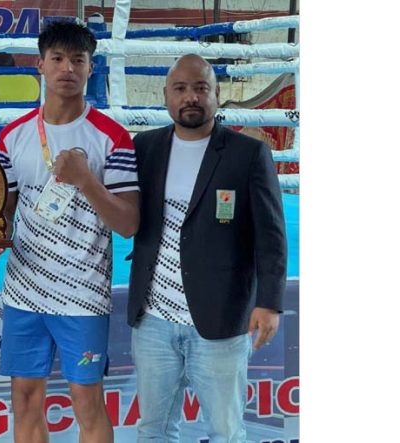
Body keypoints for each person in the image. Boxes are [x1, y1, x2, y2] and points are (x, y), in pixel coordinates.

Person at [127, 54, 287, 442]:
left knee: (225, 431)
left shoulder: (247, 154)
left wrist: (269, 302)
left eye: (201, 88)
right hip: (153, 321)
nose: (191, 97)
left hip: (221, 320)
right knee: (154, 430)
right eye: (180, 89)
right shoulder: (144, 148)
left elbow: (271, 234)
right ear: (166, 95)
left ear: (216, 94)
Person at [0, 20, 140, 443]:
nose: (67, 68)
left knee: (86, 401)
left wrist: (86, 180)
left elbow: (128, 224)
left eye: (78, 60)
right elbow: (6, 212)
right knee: (23, 397)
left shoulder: (112, 138)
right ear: (40, 64)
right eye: (57, 58)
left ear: (91, 68)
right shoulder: (12, 137)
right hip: (23, 290)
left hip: (82, 292)